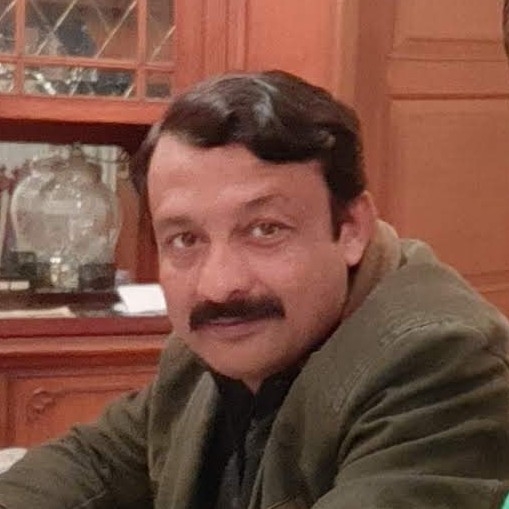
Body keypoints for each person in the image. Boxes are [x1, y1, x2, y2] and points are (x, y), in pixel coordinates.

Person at [2, 70, 509, 509]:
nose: (219, 285)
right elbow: (93, 464)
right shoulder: (205, 355)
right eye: (185, 239)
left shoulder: (441, 362)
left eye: (265, 230)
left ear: (352, 229)